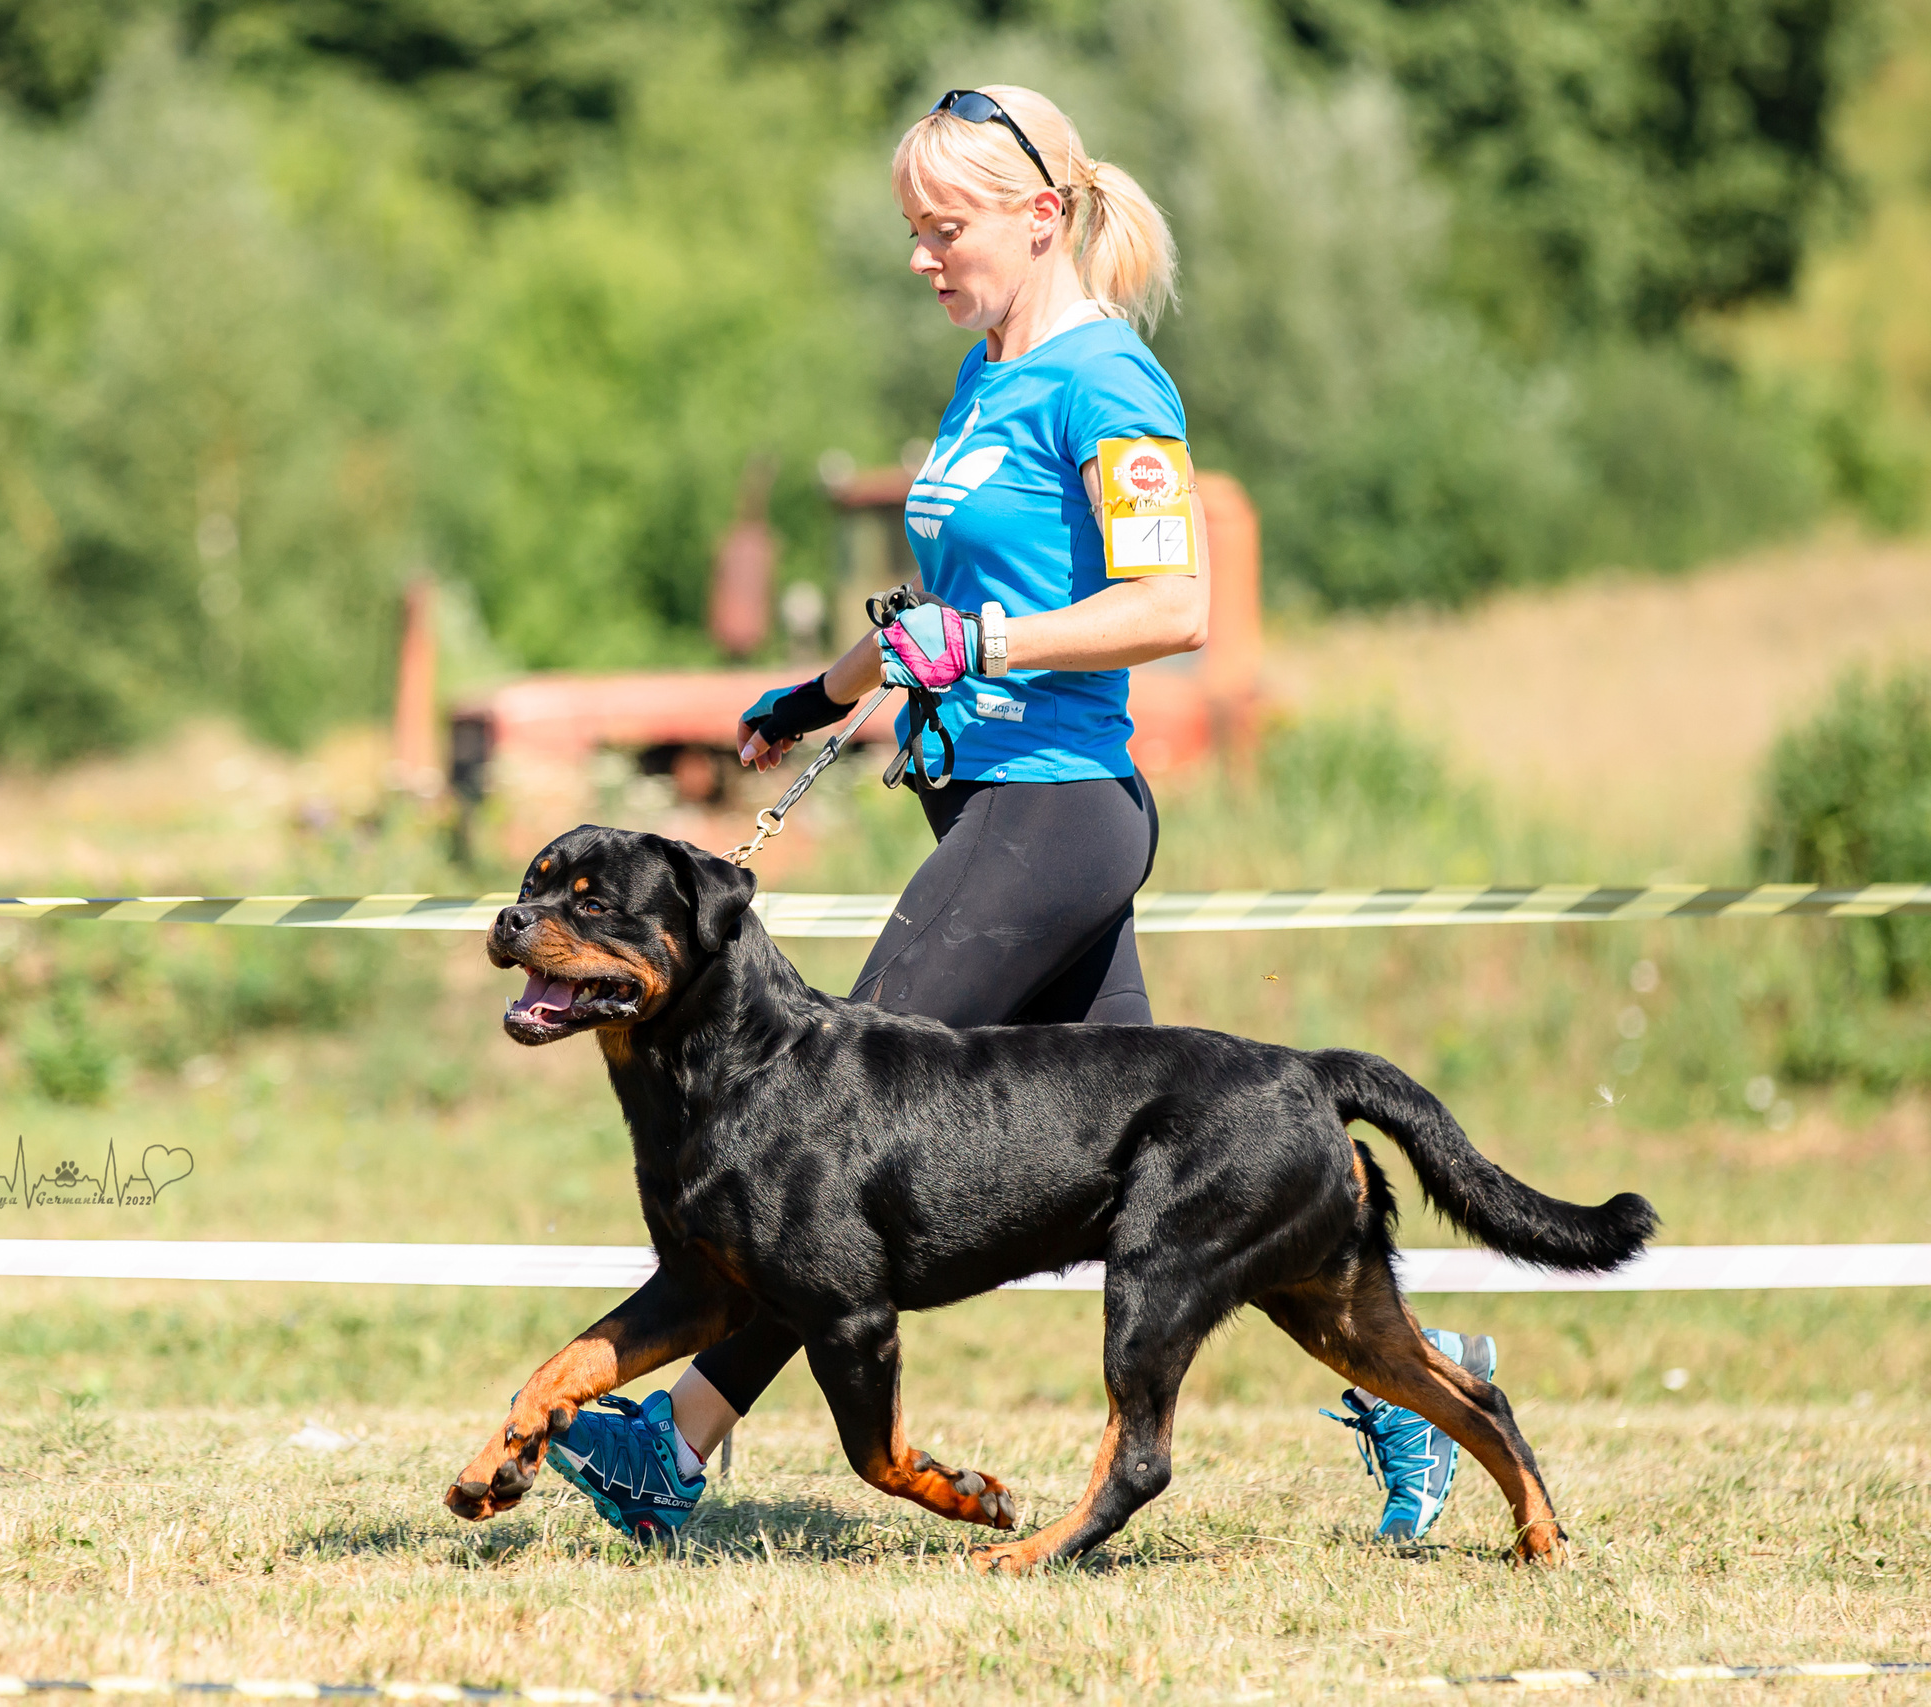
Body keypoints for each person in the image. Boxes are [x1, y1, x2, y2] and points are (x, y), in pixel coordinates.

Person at [540, 84, 1494, 1549]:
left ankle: (677, 1439)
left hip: (1060, 815)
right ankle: (1426, 1387)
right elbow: (949, 597)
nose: (923, 258)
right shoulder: (987, 374)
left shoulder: (1111, 387)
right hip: (978, 803)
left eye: (948, 229)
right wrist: (821, 690)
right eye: (914, 233)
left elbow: (1176, 606)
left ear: (1040, 216)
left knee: (821, 1145)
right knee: (1198, 1176)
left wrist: (980, 653)